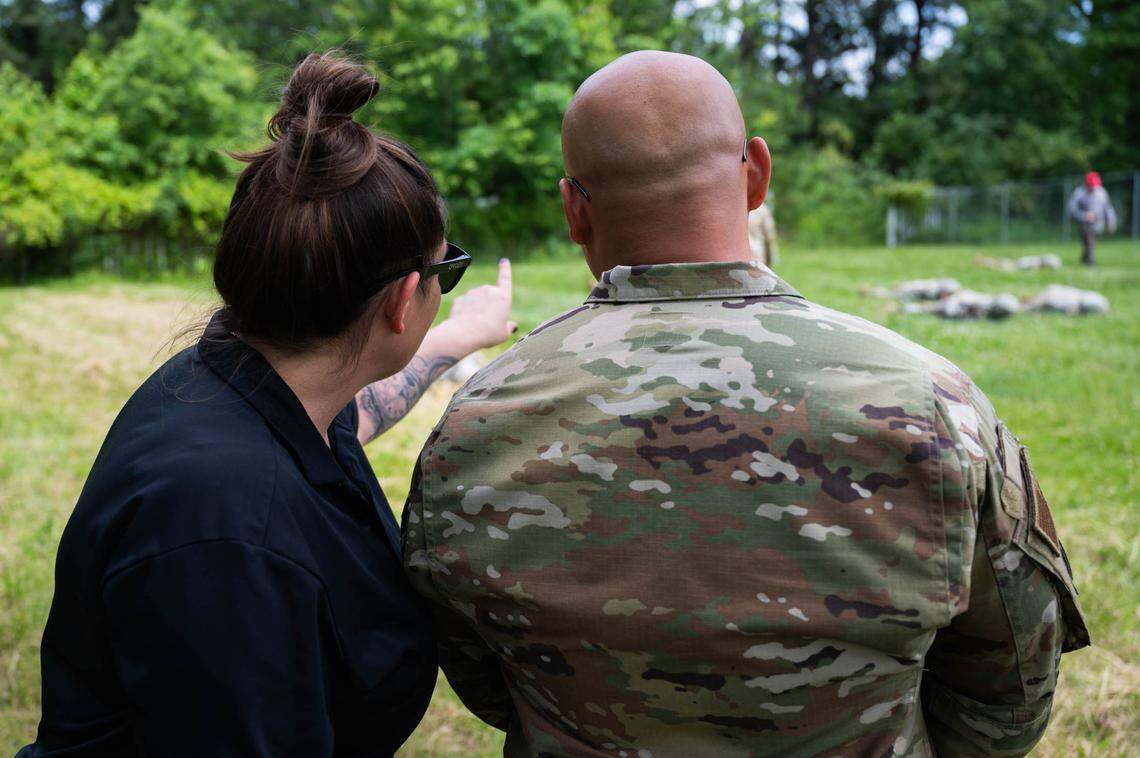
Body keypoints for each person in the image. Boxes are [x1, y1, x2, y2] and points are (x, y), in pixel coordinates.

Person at [402, 51, 1089, 757]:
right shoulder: (934, 403)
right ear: (756, 174)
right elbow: (1009, 698)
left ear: (574, 211)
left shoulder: (477, 423)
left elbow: (483, 679)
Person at [20, 53, 515, 757]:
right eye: (447, 271)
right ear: (405, 299)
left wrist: (460, 336)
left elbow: (356, 413)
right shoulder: (230, 535)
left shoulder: (236, 384)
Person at [1067, 171, 1117, 266]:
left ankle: (1084, 258)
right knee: (1090, 241)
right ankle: (1092, 263)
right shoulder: (1079, 193)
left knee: (1090, 243)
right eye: (1090, 185)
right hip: (1084, 224)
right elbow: (1071, 209)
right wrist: (1085, 215)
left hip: (1098, 224)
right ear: (1086, 183)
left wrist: (1112, 222)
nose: (1092, 188)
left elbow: (1108, 209)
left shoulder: (1102, 192)